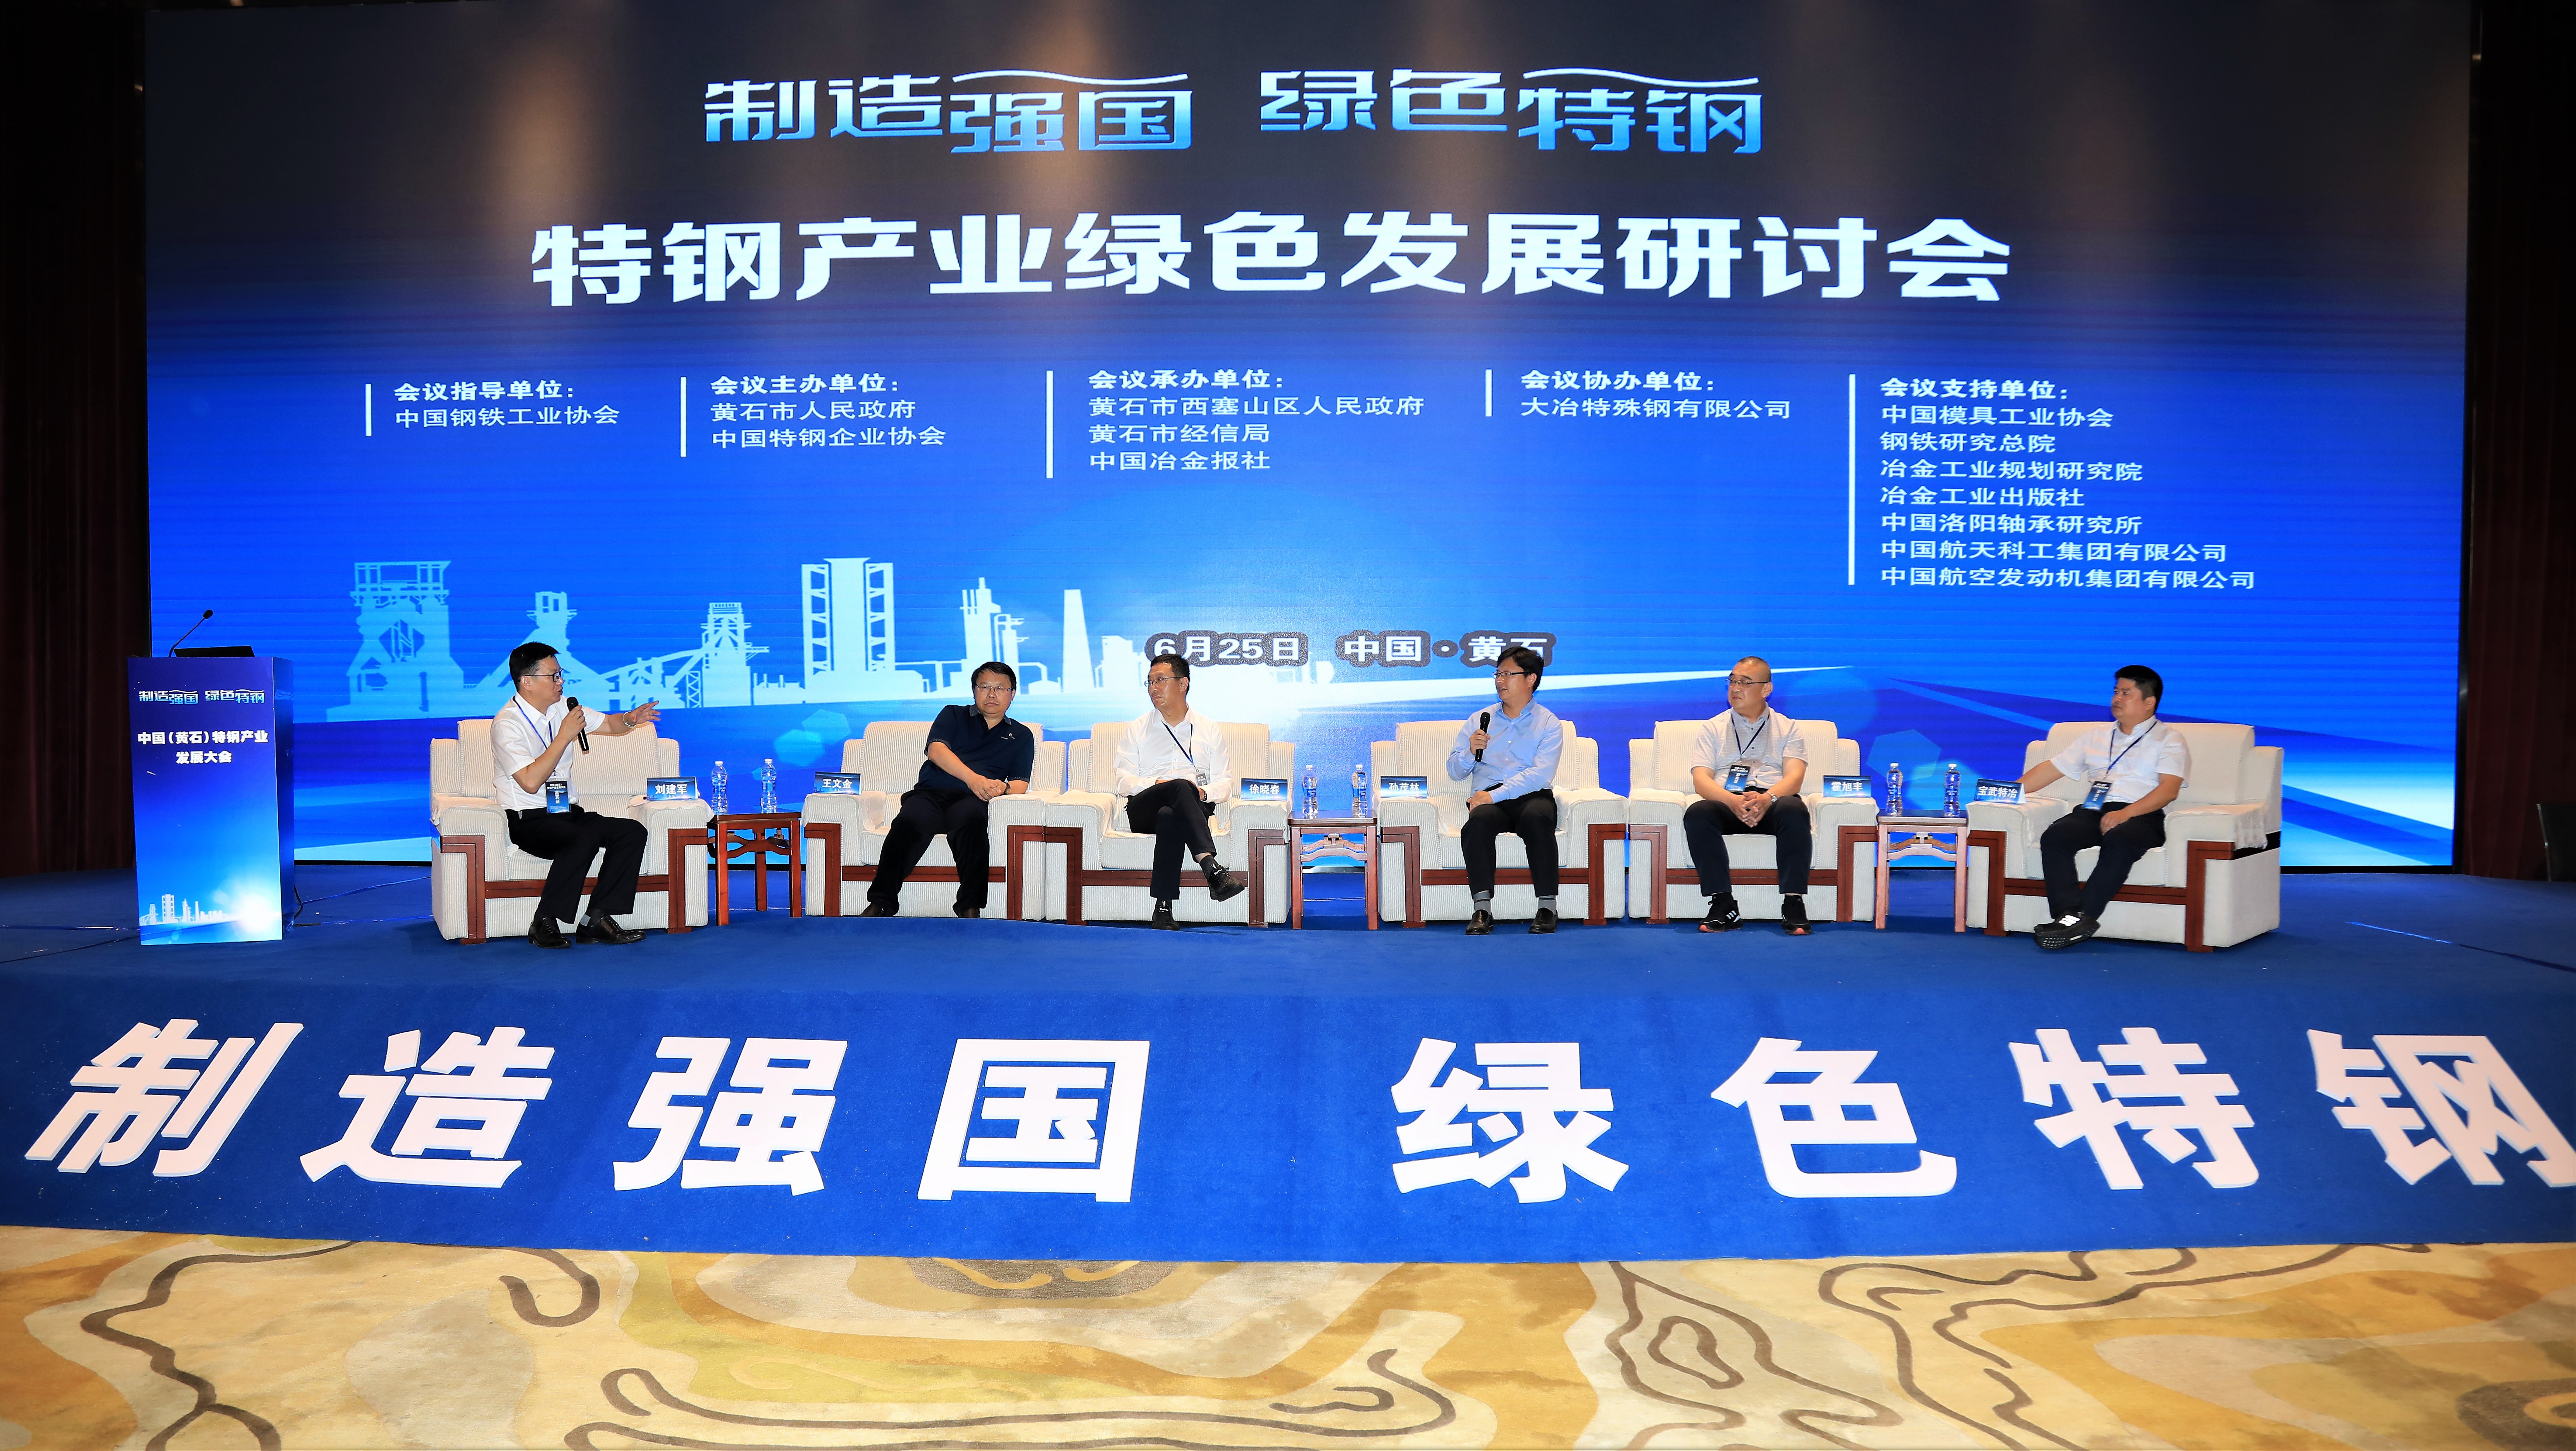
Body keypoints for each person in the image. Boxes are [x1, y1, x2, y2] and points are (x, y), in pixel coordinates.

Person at [488, 642, 662, 948]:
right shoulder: (507, 724)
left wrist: (630, 719)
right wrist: (564, 737)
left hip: (567, 813)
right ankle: (544, 921)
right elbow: (530, 782)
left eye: (560, 674)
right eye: (553, 676)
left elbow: (609, 724)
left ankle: (596, 919)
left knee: (631, 832)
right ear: (527, 682)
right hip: (530, 821)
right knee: (581, 839)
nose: (561, 682)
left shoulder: (563, 708)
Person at [2018, 665, 2189, 950]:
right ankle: (2067, 917)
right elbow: (2052, 769)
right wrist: (2010, 792)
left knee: (2120, 840)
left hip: (2140, 814)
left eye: (2126, 693)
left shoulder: (2169, 739)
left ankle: (2085, 916)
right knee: (2056, 836)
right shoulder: (2096, 735)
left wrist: (2126, 813)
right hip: (2094, 810)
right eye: (2116, 692)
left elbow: (2169, 790)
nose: (2117, 699)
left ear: (2149, 702)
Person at [862, 661, 1036, 919]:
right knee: (908, 822)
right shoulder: (953, 715)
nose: (991, 694)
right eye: (985, 687)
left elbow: (1020, 784)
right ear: (974, 690)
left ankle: (969, 906)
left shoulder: (1020, 735)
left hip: (972, 799)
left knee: (973, 824)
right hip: (931, 793)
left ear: (1012, 694)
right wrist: (974, 779)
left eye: (1000, 688)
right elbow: (936, 750)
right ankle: (881, 902)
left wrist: (1003, 788)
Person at [1682, 656, 1814, 935]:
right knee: (1698, 812)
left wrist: (1768, 799)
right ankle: (1723, 903)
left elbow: (1795, 777)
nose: (1735, 688)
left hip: (1773, 801)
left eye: (1744, 682)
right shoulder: (1713, 727)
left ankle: (1793, 903)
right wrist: (1731, 801)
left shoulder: (1788, 728)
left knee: (1794, 809)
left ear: (1766, 689)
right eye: (1732, 681)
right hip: (1728, 800)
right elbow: (1701, 779)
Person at [1113, 653, 1246, 929]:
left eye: (1160, 680)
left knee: (1171, 814)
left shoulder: (1208, 729)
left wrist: (1201, 793)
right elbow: (1123, 781)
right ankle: (1210, 866)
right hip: (1143, 808)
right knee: (1177, 787)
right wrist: (1158, 785)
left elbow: (1225, 783)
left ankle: (1163, 908)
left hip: (1191, 807)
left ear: (1183, 683)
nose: (1153, 688)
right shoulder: (1137, 728)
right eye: (1150, 682)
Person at [1447, 645, 1564, 935]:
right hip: (1489, 800)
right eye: (1498, 674)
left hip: (1531, 797)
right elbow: (1454, 771)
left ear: (1530, 679)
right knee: (1479, 822)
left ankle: (1547, 908)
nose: (1500, 681)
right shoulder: (1480, 719)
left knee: (1538, 818)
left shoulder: (1549, 723)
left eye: (1508, 674)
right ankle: (1482, 909)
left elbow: (1540, 775)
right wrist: (1469, 752)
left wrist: (1493, 796)